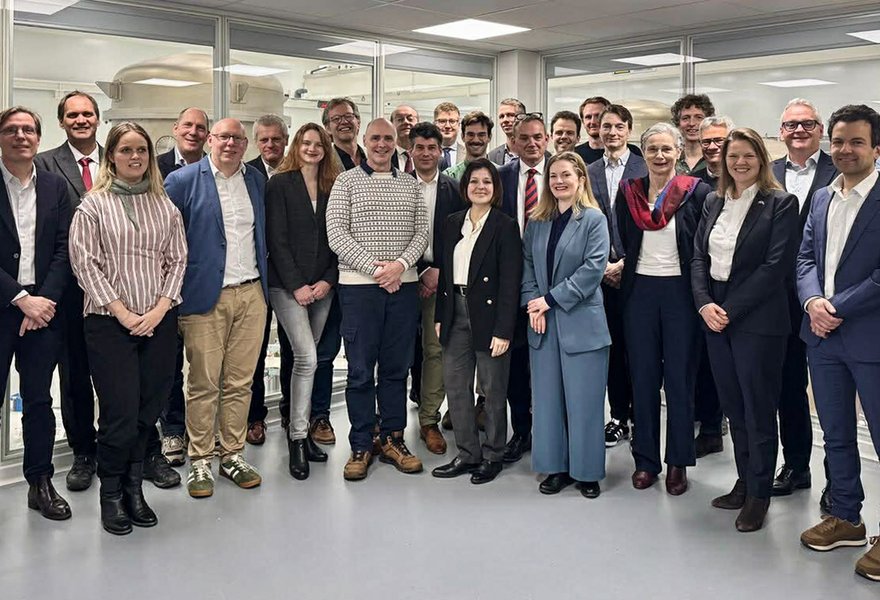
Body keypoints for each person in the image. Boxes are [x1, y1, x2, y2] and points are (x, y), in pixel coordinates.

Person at [69, 121, 187, 535]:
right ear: (111, 157)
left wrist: (158, 311)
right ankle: (111, 495)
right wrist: (123, 313)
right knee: (119, 415)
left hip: (158, 321)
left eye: (141, 150)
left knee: (146, 411)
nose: (135, 157)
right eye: (126, 150)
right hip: (108, 324)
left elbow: (177, 261)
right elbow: (86, 265)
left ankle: (135, 489)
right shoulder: (92, 206)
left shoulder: (165, 206)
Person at [691, 128, 798, 532]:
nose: (739, 163)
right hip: (715, 316)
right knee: (733, 407)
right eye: (733, 156)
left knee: (758, 410)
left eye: (748, 156)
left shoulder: (781, 203)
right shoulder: (715, 199)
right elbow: (698, 257)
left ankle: (759, 495)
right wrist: (704, 304)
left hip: (757, 320)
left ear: (761, 160)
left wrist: (727, 310)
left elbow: (775, 268)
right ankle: (744, 480)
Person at [796, 104, 880, 582]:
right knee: (836, 434)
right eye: (839, 141)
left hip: (869, 336)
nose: (845, 150)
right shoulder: (824, 197)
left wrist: (837, 306)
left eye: (856, 142)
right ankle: (846, 516)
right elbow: (804, 256)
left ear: (876, 148)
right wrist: (813, 305)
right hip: (822, 337)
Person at [164, 118, 268, 498]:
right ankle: (201, 460)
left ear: (245, 145)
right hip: (204, 296)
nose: (231, 144)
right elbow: (168, 243)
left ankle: (232, 454)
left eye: (238, 139)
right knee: (203, 383)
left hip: (252, 293)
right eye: (224, 137)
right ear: (210, 141)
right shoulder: (182, 181)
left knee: (240, 381)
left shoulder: (256, 181)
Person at [326, 118, 428, 481]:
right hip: (359, 289)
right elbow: (336, 234)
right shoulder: (346, 181)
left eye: (388, 139)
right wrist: (376, 269)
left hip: (403, 287)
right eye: (375, 139)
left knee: (396, 368)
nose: (382, 145)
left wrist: (399, 266)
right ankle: (360, 444)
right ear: (364, 142)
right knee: (358, 371)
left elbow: (422, 232)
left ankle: (393, 438)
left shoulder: (411, 185)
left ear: (395, 142)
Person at [615, 122, 711, 495]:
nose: (659, 156)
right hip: (639, 292)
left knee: (680, 381)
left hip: (681, 294)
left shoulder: (696, 192)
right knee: (642, 378)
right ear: (643, 153)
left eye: (666, 149)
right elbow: (624, 237)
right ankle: (646, 461)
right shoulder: (629, 193)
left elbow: (702, 245)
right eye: (652, 149)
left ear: (677, 153)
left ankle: (678, 463)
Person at [522, 151, 610, 498]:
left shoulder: (593, 220)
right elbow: (527, 264)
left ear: (580, 180)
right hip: (542, 323)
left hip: (580, 323)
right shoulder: (537, 220)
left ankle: (587, 472)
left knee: (584, 402)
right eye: (553, 176)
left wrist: (550, 300)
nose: (559, 181)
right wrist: (533, 304)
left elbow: (592, 270)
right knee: (547, 401)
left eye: (566, 175)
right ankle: (556, 467)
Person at [0, 106, 72, 521]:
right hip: (5, 306)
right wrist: (18, 298)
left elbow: (64, 248)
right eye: (12, 129)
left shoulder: (53, 186)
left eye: (28, 129)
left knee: (40, 400)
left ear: (38, 138)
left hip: (44, 311)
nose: (21, 136)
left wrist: (42, 300)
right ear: (1, 138)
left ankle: (40, 481)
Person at [432, 158, 521, 484]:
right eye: (474, 182)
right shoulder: (452, 222)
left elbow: (511, 282)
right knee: (456, 387)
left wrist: (503, 329)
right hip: (455, 309)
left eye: (487, 181)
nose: (480, 187)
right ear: (465, 187)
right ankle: (468, 453)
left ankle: (494, 454)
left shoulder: (504, 225)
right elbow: (444, 274)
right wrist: (441, 315)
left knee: (493, 389)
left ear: (495, 188)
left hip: (490, 314)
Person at [770, 99, 838, 508]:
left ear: (820, 129)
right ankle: (797, 465)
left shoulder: (840, 169)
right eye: (791, 124)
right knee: (788, 386)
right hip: (777, 301)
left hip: (824, 299)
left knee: (831, 394)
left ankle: (838, 481)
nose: (798, 130)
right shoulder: (770, 172)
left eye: (807, 124)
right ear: (780, 131)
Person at [33, 90, 102, 493]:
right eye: (72, 114)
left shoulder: (119, 157)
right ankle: (83, 452)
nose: (80, 120)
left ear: (97, 118)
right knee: (74, 375)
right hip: (70, 291)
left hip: (119, 289)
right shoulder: (45, 165)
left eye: (87, 113)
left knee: (117, 376)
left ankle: (121, 446)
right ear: (61, 121)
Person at [266, 123, 338, 480]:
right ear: (297, 146)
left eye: (318, 143)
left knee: (309, 359)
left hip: (323, 287)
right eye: (306, 143)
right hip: (287, 288)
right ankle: (296, 438)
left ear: (326, 148)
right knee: (306, 357)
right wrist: (297, 286)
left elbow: (340, 236)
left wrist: (327, 280)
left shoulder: (334, 185)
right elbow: (275, 240)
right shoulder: (280, 184)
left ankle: (305, 433)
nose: (312, 148)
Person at [148, 106, 209, 486]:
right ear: (175, 129)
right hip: (161, 284)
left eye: (200, 127)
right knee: (167, 365)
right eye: (187, 125)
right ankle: (172, 429)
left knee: (204, 367)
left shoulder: (215, 170)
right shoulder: (154, 167)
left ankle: (206, 433)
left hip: (202, 280)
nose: (193, 131)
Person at [587, 104, 646, 448]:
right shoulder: (590, 170)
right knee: (612, 346)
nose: (611, 132)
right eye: (605, 126)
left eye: (618, 126)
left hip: (637, 271)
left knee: (639, 347)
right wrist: (603, 265)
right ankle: (618, 416)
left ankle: (641, 415)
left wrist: (625, 262)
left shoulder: (643, 167)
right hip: (600, 273)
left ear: (628, 129)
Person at [409, 122, 465, 454]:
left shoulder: (454, 189)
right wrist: (418, 270)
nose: (427, 154)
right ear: (411, 150)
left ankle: (429, 420)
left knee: (435, 350)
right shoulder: (397, 186)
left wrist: (437, 271)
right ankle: (386, 424)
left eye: (433, 148)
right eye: (420, 148)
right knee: (396, 352)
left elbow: (461, 237)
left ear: (439, 152)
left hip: (440, 280)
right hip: (399, 279)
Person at [498, 112, 550, 463]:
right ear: (513, 143)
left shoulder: (563, 175)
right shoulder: (500, 178)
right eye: (524, 138)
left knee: (548, 362)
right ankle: (522, 431)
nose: (531, 143)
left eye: (537, 137)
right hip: (510, 283)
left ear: (546, 140)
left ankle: (552, 433)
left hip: (550, 285)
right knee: (516, 364)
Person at [245, 113, 293, 446]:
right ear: (256, 142)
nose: (271, 144)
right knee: (255, 352)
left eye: (276, 138)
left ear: (285, 140)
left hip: (292, 279)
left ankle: (292, 412)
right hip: (257, 278)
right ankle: (254, 418)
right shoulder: (247, 174)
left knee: (294, 349)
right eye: (264, 139)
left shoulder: (299, 171)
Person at [575, 96, 642, 165]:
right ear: (583, 121)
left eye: (598, 116)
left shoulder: (632, 151)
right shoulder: (575, 154)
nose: (593, 121)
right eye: (588, 117)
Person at [671, 94, 716, 174]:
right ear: (678, 123)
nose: (692, 123)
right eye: (686, 118)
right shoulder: (671, 158)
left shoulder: (716, 158)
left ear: (708, 122)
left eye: (699, 117)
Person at [445, 111, 494, 182]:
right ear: (462, 136)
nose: (476, 140)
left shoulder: (501, 173)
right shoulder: (449, 176)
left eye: (481, 135)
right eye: (471, 135)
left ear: (489, 137)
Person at [487, 98, 524, 165]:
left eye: (510, 115)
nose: (505, 120)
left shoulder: (541, 155)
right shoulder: (491, 157)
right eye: (501, 116)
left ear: (523, 118)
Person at [435, 102, 465, 171]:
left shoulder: (468, 154)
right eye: (442, 121)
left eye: (452, 121)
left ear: (458, 125)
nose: (447, 126)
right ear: (434, 124)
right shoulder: (426, 153)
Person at [391, 104, 419, 173]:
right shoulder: (385, 157)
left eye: (410, 119)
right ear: (391, 125)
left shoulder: (431, 158)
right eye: (400, 119)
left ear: (418, 123)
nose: (406, 122)